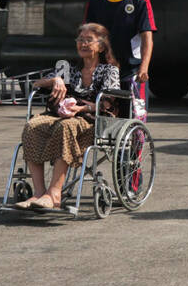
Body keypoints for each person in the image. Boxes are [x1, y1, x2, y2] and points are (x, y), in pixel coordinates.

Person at [16, 24, 121, 210]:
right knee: (32, 126)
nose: (83, 44)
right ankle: (39, 193)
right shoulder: (68, 68)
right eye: (80, 40)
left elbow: (106, 103)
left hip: (92, 120)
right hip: (62, 116)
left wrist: (79, 109)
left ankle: (54, 194)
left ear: (102, 47)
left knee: (66, 127)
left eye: (89, 40)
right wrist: (54, 80)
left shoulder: (109, 71)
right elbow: (36, 84)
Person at [83, 0, 155, 91]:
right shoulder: (94, 1)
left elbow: (147, 39)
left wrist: (144, 68)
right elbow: (88, 38)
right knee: (101, 112)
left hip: (131, 73)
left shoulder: (140, 1)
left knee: (133, 113)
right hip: (103, 72)